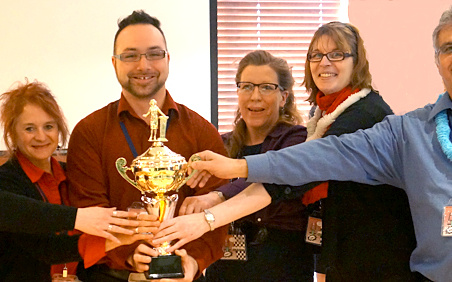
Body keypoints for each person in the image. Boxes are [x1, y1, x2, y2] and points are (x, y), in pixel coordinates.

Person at [168, 6, 452, 282]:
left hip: (377, 259)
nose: (324, 63)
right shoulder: (321, 119)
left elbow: (298, 172)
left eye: (337, 54)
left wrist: (209, 212)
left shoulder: (365, 115)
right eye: (316, 55)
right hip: (343, 254)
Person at [66, 10, 228, 282]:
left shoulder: (201, 132)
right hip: (112, 276)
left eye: (154, 54)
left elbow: (218, 209)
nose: (143, 65)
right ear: (114, 63)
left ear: (167, 59)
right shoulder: (89, 133)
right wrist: (129, 251)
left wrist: (193, 262)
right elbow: (89, 211)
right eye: (130, 55)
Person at [0, 67, 154, 282]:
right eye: (29, 129)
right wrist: (108, 238)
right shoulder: (5, 182)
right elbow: (45, 248)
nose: (41, 136)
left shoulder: (71, 174)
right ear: (13, 134)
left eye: (48, 126)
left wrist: (131, 233)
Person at [172, 50, 313, 281]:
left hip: (282, 265)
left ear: (284, 97)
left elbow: (265, 178)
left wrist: (216, 196)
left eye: (267, 87)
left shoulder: (297, 140)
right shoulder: (220, 143)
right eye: (246, 86)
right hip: (225, 267)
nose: (255, 96)